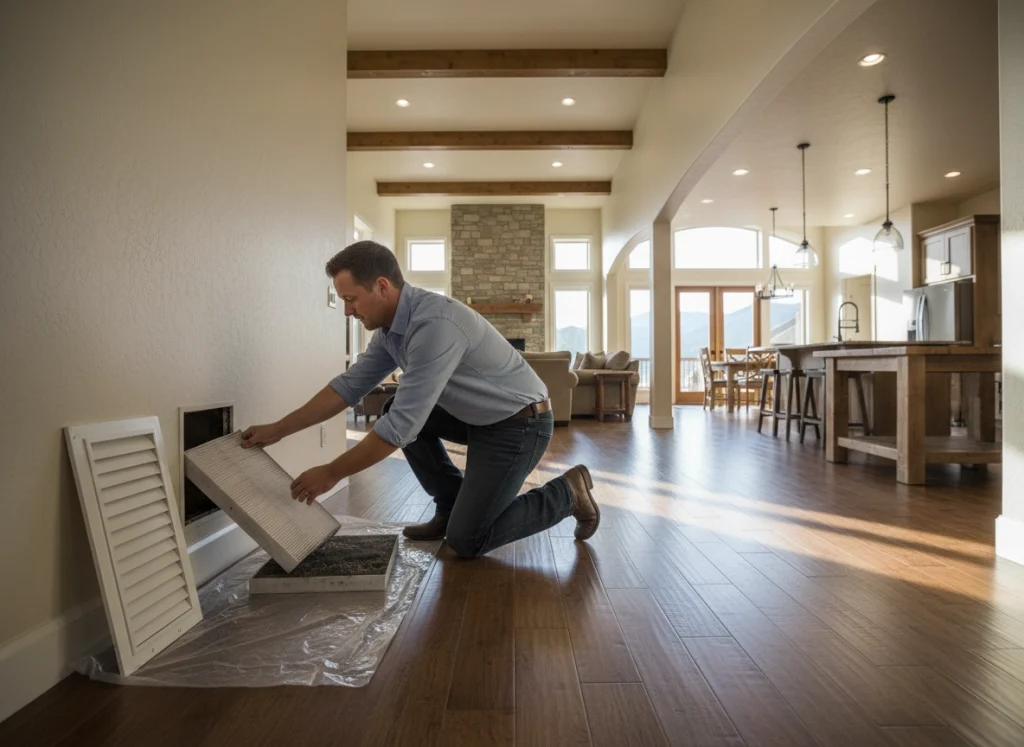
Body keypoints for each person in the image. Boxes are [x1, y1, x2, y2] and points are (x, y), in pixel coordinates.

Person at [241, 240, 600, 557]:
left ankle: (568, 492)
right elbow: (348, 387)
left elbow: (401, 428)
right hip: (479, 417)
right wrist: (278, 429)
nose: (348, 311)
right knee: (393, 406)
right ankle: (450, 505)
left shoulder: (434, 325)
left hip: (519, 423)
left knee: (468, 540)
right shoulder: (390, 330)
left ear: (381, 286)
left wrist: (331, 473)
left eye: (351, 299)